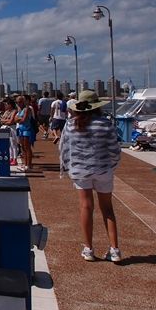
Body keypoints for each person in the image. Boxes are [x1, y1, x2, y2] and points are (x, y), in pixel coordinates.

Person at [59, 90, 122, 263]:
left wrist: (65, 167)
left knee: (86, 207)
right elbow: (114, 149)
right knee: (107, 209)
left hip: (80, 170)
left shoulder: (71, 124)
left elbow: (64, 148)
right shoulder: (105, 123)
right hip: (103, 170)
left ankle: (88, 249)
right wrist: (113, 165)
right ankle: (114, 250)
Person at [10, 94, 35, 172]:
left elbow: (23, 120)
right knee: (23, 147)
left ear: (23, 102)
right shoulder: (19, 110)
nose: (18, 103)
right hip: (21, 129)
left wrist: (18, 119)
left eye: (20, 102)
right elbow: (15, 119)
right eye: (17, 102)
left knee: (27, 147)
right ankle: (25, 163)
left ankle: (29, 165)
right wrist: (18, 119)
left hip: (27, 129)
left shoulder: (27, 109)